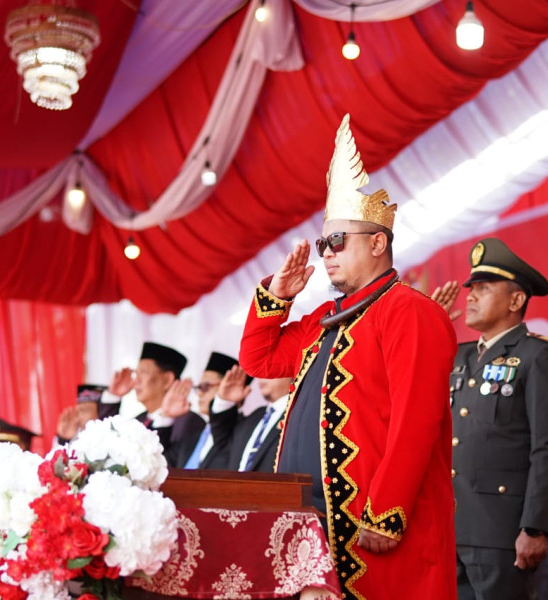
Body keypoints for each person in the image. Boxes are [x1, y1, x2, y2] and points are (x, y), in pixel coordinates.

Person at [239, 114, 457, 600]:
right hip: (314, 529)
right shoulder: (325, 317)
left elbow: (417, 418)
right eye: (323, 243)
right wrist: (277, 297)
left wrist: (386, 510)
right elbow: (259, 359)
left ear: (378, 242)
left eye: (338, 241)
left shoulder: (408, 310)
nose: (327, 253)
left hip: (373, 528)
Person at [449, 237, 548, 600]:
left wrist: (535, 527)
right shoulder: (460, 357)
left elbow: (547, 448)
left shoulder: (538, 356)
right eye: (471, 288)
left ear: (516, 300)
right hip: (452, 530)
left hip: (501, 532)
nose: (469, 296)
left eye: (483, 289)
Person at [107, 341, 205, 467]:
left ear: (167, 380)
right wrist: (113, 397)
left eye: (144, 373)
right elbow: (108, 450)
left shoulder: (189, 422)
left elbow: (168, 465)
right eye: (135, 374)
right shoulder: (138, 420)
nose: (136, 380)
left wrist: (165, 418)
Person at [209, 373, 292, 472]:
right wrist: (225, 401)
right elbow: (223, 443)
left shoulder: (297, 415)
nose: (262, 376)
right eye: (261, 370)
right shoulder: (256, 416)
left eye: (272, 367)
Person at [179, 351, 245, 469]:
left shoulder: (242, 432)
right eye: (198, 387)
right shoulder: (195, 432)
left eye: (205, 387)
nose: (199, 393)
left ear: (230, 386)